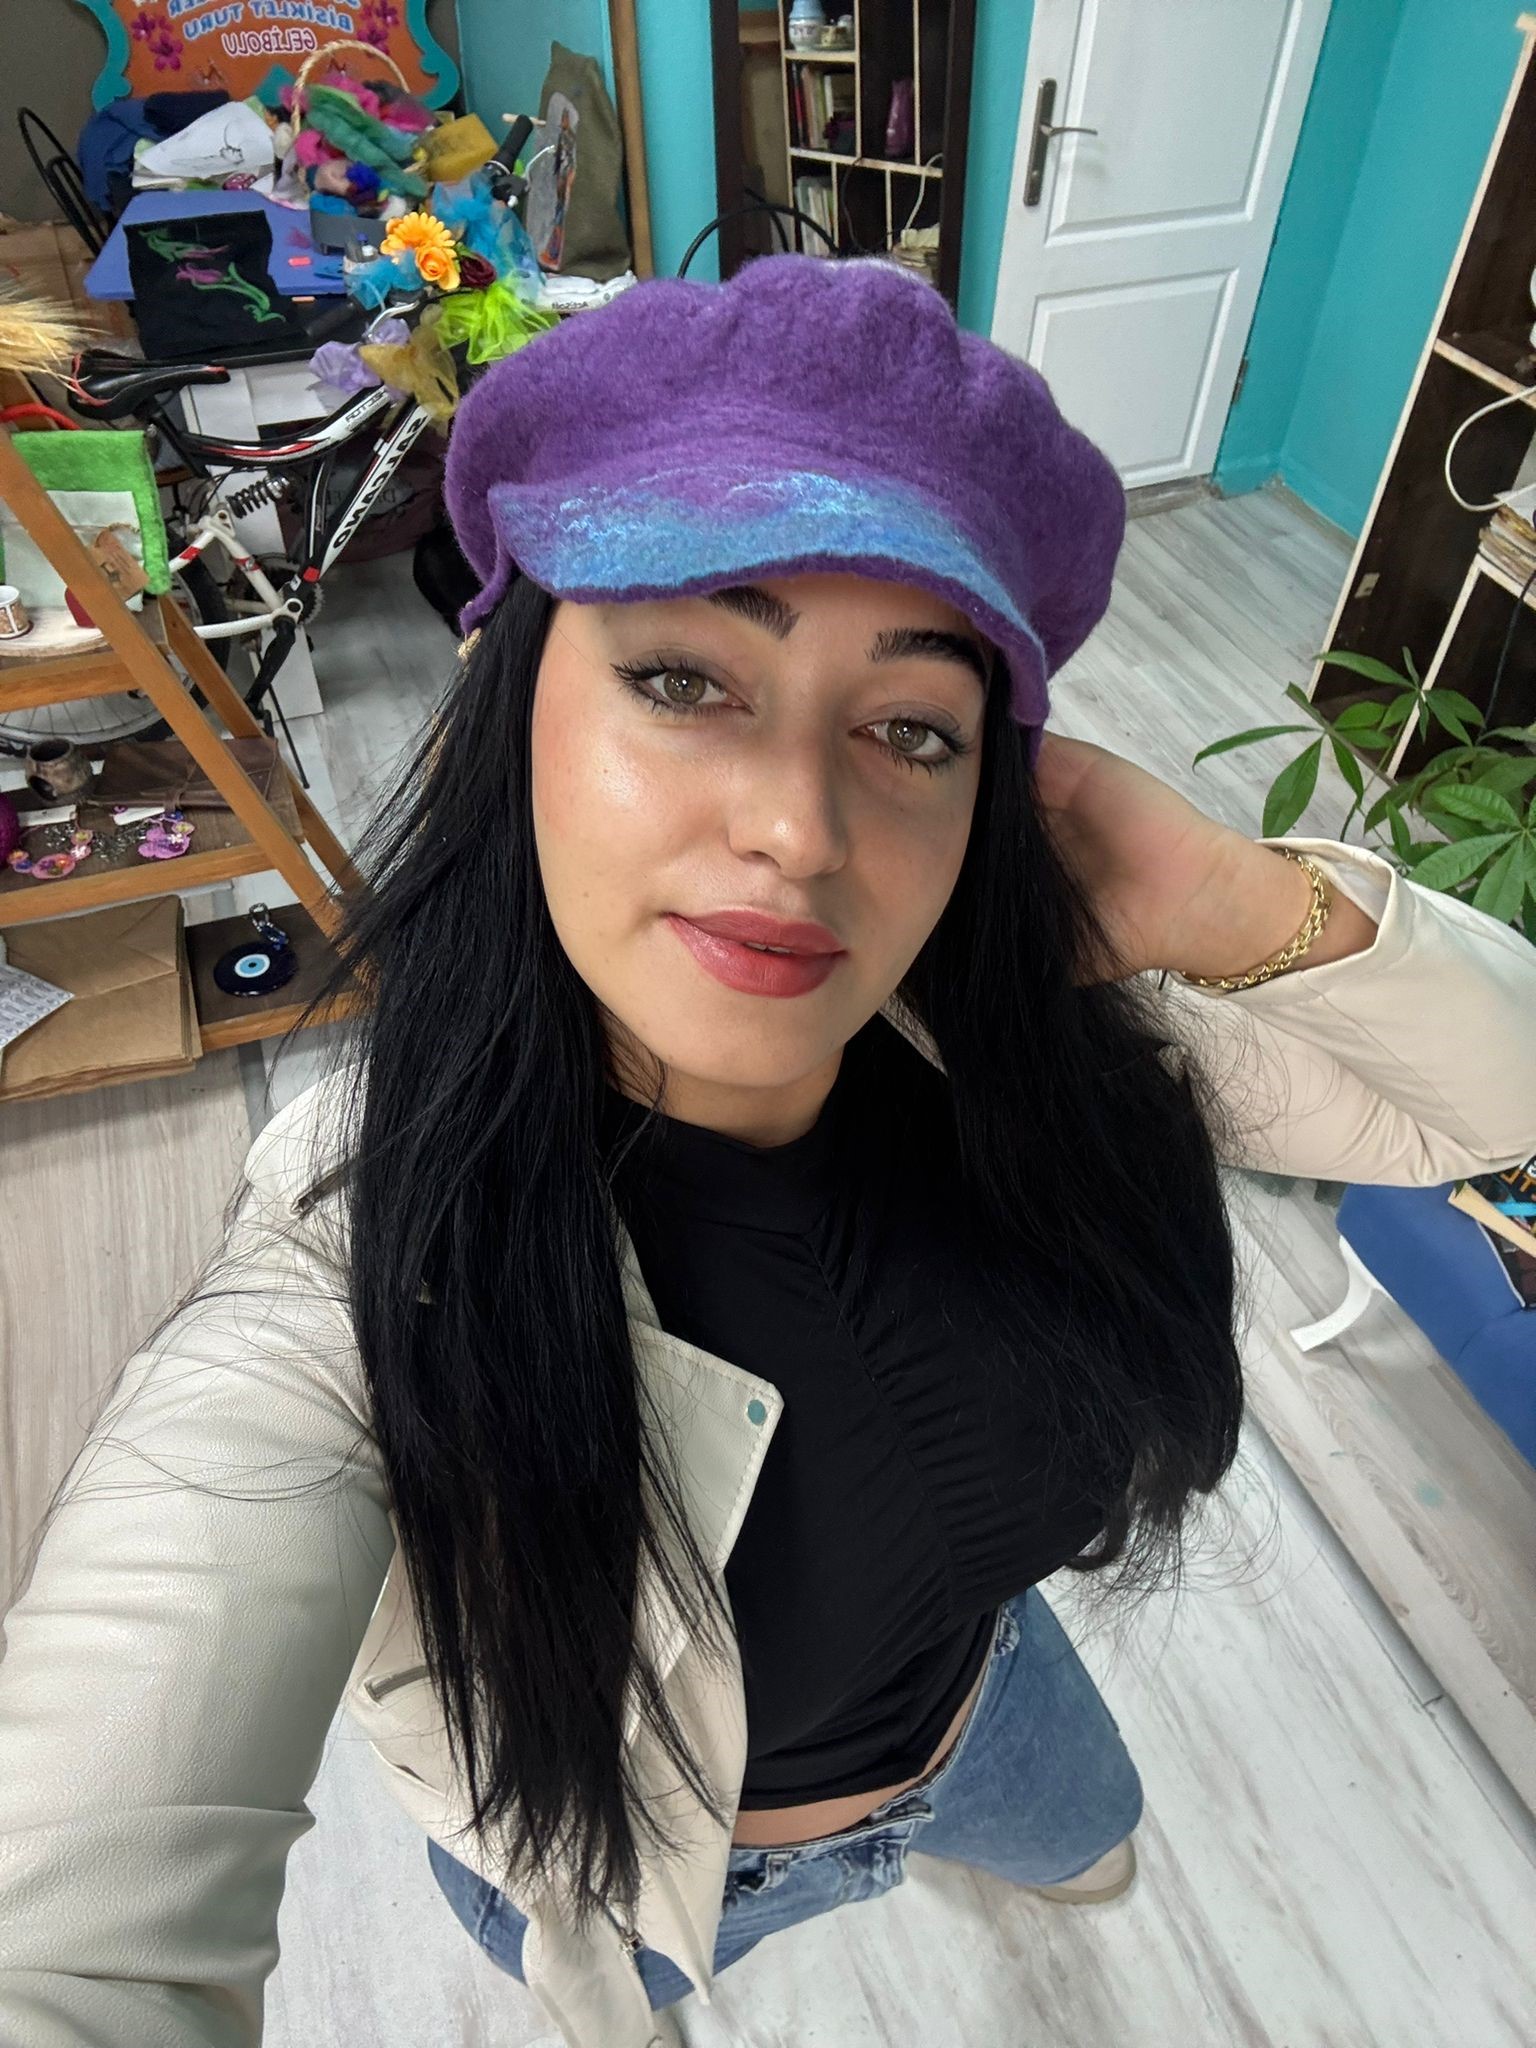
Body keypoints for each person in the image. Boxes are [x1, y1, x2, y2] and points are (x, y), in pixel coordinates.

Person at [2, 253, 1534, 2048]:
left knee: (1096, 1845)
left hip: (991, 1716)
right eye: (683, 677)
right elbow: (74, 1931)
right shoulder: (356, 1261)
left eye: (912, 729)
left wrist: (1226, 895)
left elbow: (1490, 1107)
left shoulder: (1018, 1059)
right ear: (508, 704)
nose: (802, 829)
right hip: (645, 1871)